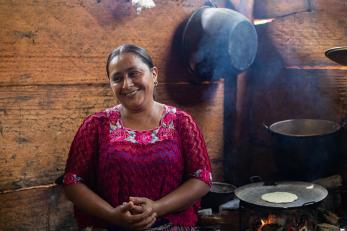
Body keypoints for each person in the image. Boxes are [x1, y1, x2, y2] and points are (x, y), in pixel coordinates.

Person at [63, 44, 212, 231]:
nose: (126, 84)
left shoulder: (181, 123)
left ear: (154, 74)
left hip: (172, 225)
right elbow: (72, 181)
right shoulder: (95, 125)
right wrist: (111, 215)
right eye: (117, 78)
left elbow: (202, 178)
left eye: (134, 73)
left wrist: (157, 208)